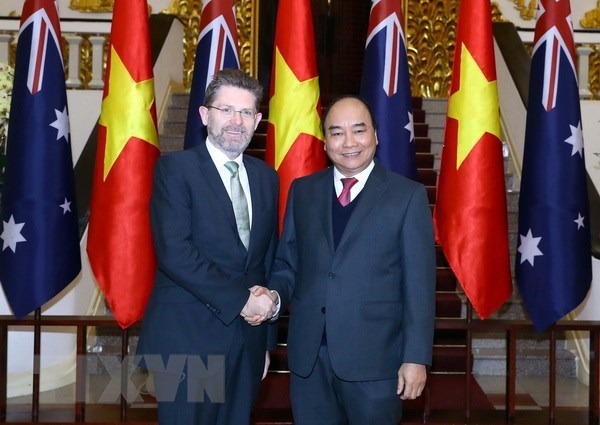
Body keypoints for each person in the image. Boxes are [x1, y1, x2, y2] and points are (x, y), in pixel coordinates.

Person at [267, 95, 436, 424]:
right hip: (309, 360)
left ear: (376, 135)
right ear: (325, 140)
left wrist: (416, 357)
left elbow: (418, 285)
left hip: (376, 363)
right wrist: (272, 296)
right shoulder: (302, 191)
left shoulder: (407, 196)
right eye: (337, 132)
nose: (349, 143)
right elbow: (288, 263)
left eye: (359, 131)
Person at [137, 69, 279, 425]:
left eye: (246, 113)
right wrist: (243, 300)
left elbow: (265, 260)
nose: (236, 121)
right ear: (205, 115)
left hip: (247, 341)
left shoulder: (267, 178)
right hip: (189, 341)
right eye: (226, 109)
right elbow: (176, 253)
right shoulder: (175, 169)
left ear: (258, 120)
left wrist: (264, 341)